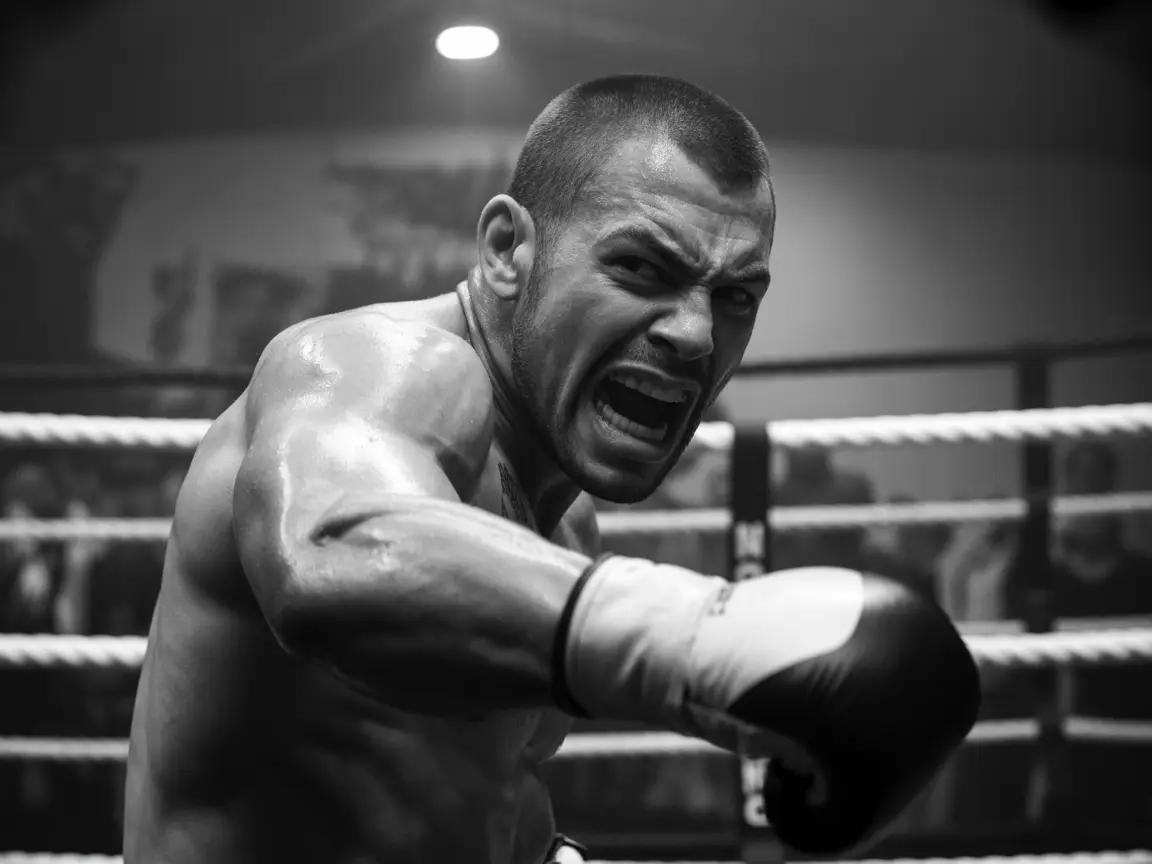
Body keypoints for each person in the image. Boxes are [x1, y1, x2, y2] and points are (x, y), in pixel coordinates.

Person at [124, 75, 980, 864]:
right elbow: (330, 549)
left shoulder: (563, 527)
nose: (692, 332)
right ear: (506, 249)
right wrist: (692, 638)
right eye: (641, 267)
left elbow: (476, 797)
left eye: (735, 296)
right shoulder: (376, 363)